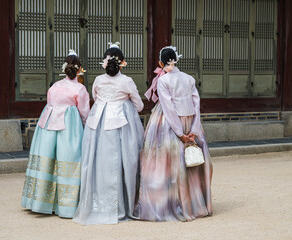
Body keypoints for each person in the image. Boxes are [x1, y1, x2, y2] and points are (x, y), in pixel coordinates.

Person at [134, 46, 213, 221]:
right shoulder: (189, 79)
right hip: (189, 121)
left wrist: (179, 132)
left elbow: (168, 107)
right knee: (188, 164)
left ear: (161, 62)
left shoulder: (163, 81)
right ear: (176, 59)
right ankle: (192, 203)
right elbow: (196, 105)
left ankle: (168, 202)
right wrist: (193, 130)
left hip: (168, 123)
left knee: (166, 162)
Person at [73, 42, 144, 225]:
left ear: (104, 62)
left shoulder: (98, 80)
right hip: (120, 124)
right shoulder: (126, 81)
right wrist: (125, 105)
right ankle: (123, 203)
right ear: (122, 63)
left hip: (98, 124)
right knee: (122, 161)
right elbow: (139, 105)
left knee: (98, 162)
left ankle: (98, 203)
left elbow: (95, 98)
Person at [21, 49, 90, 218]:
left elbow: (49, 102)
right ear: (79, 69)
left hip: (48, 125)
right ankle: (66, 206)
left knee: (47, 160)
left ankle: (40, 201)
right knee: (68, 159)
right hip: (69, 127)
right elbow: (85, 113)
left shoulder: (54, 86)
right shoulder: (80, 89)